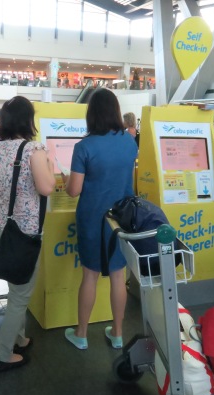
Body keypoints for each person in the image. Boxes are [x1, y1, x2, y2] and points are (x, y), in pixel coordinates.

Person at [0, 96, 55, 372]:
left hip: (0, 227)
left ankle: (20, 337)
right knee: (21, 295)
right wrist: (50, 162)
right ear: (28, 120)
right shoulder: (34, 150)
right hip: (25, 232)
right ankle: (4, 354)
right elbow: (47, 187)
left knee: (16, 288)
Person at [62, 88, 138, 350]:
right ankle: (117, 333)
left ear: (91, 114)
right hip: (121, 220)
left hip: (92, 219)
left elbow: (74, 190)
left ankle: (81, 334)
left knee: (90, 275)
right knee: (119, 276)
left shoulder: (84, 146)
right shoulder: (129, 142)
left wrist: (65, 180)